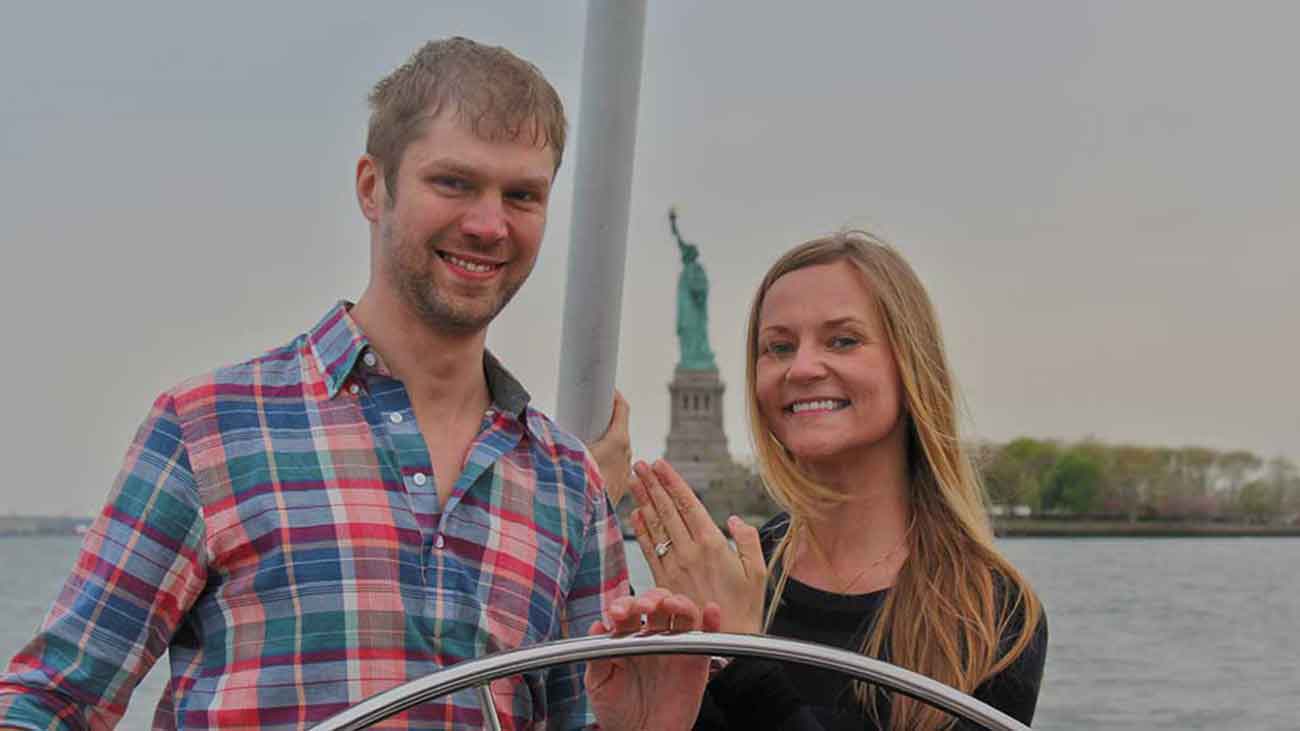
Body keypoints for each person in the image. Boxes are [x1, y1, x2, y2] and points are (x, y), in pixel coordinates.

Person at [0, 37, 667, 731]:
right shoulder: (209, 429)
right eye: (454, 183)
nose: (488, 224)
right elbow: (50, 702)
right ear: (372, 187)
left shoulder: (569, 483)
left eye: (522, 195)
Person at [626, 230, 1048, 730]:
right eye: (778, 347)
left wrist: (741, 655)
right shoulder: (726, 582)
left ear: (910, 363)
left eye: (843, 340)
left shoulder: (990, 612)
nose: (802, 367)